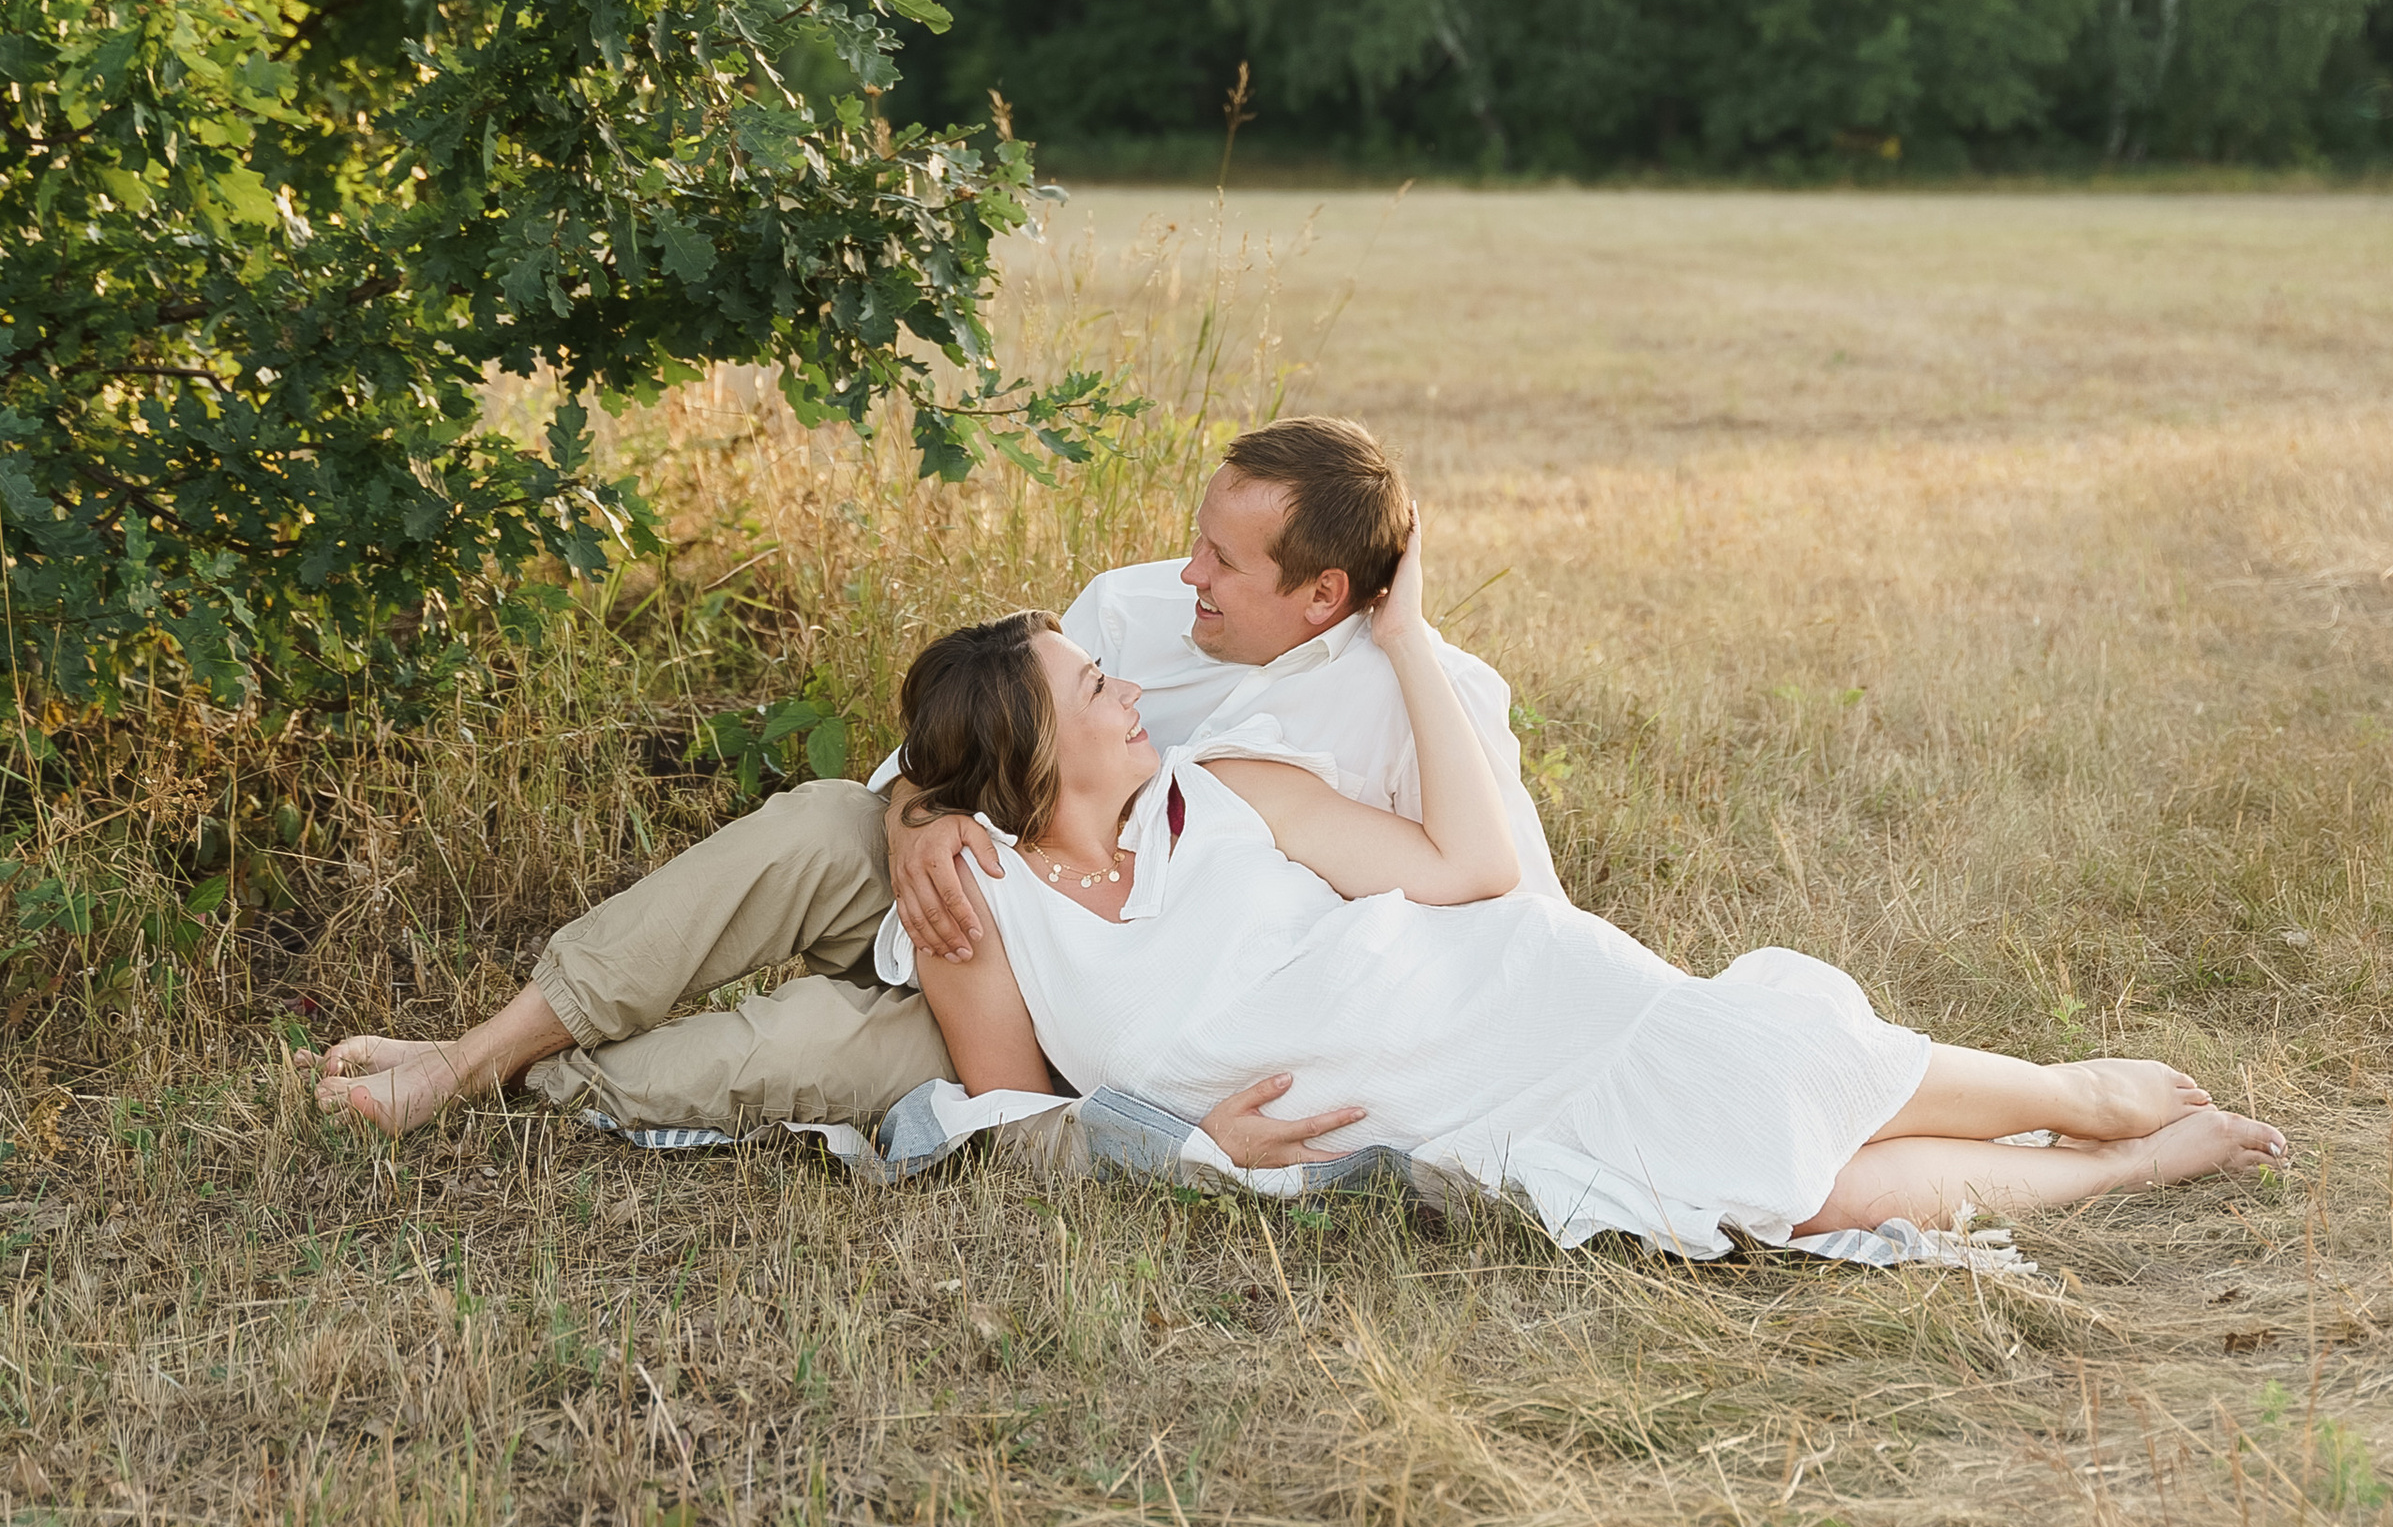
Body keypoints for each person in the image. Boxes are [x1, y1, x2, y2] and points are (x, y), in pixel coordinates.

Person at [882, 527, 2289, 1251]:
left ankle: (2072, 1099)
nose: (1131, 687)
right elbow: (1013, 1122)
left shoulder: (1232, 787)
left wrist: (1410, 636)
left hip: (1506, 999)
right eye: (1091, 684)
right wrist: (1197, 1154)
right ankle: (2124, 1165)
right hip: (1446, 1117)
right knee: (1786, 1208)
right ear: (1024, 744)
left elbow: (1469, 870)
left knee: (1775, 1075)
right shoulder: (981, 906)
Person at [309, 415, 1541, 1138]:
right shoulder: (1132, 612)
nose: (1187, 577)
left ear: (1322, 593)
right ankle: (468, 1057)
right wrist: (912, 818)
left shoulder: (1412, 700)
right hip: (984, 877)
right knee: (811, 827)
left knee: (783, 1054)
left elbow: (1501, 912)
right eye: (1196, 539)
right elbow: (967, 736)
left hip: (1085, 1005)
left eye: (1222, 561)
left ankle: (523, 1084)